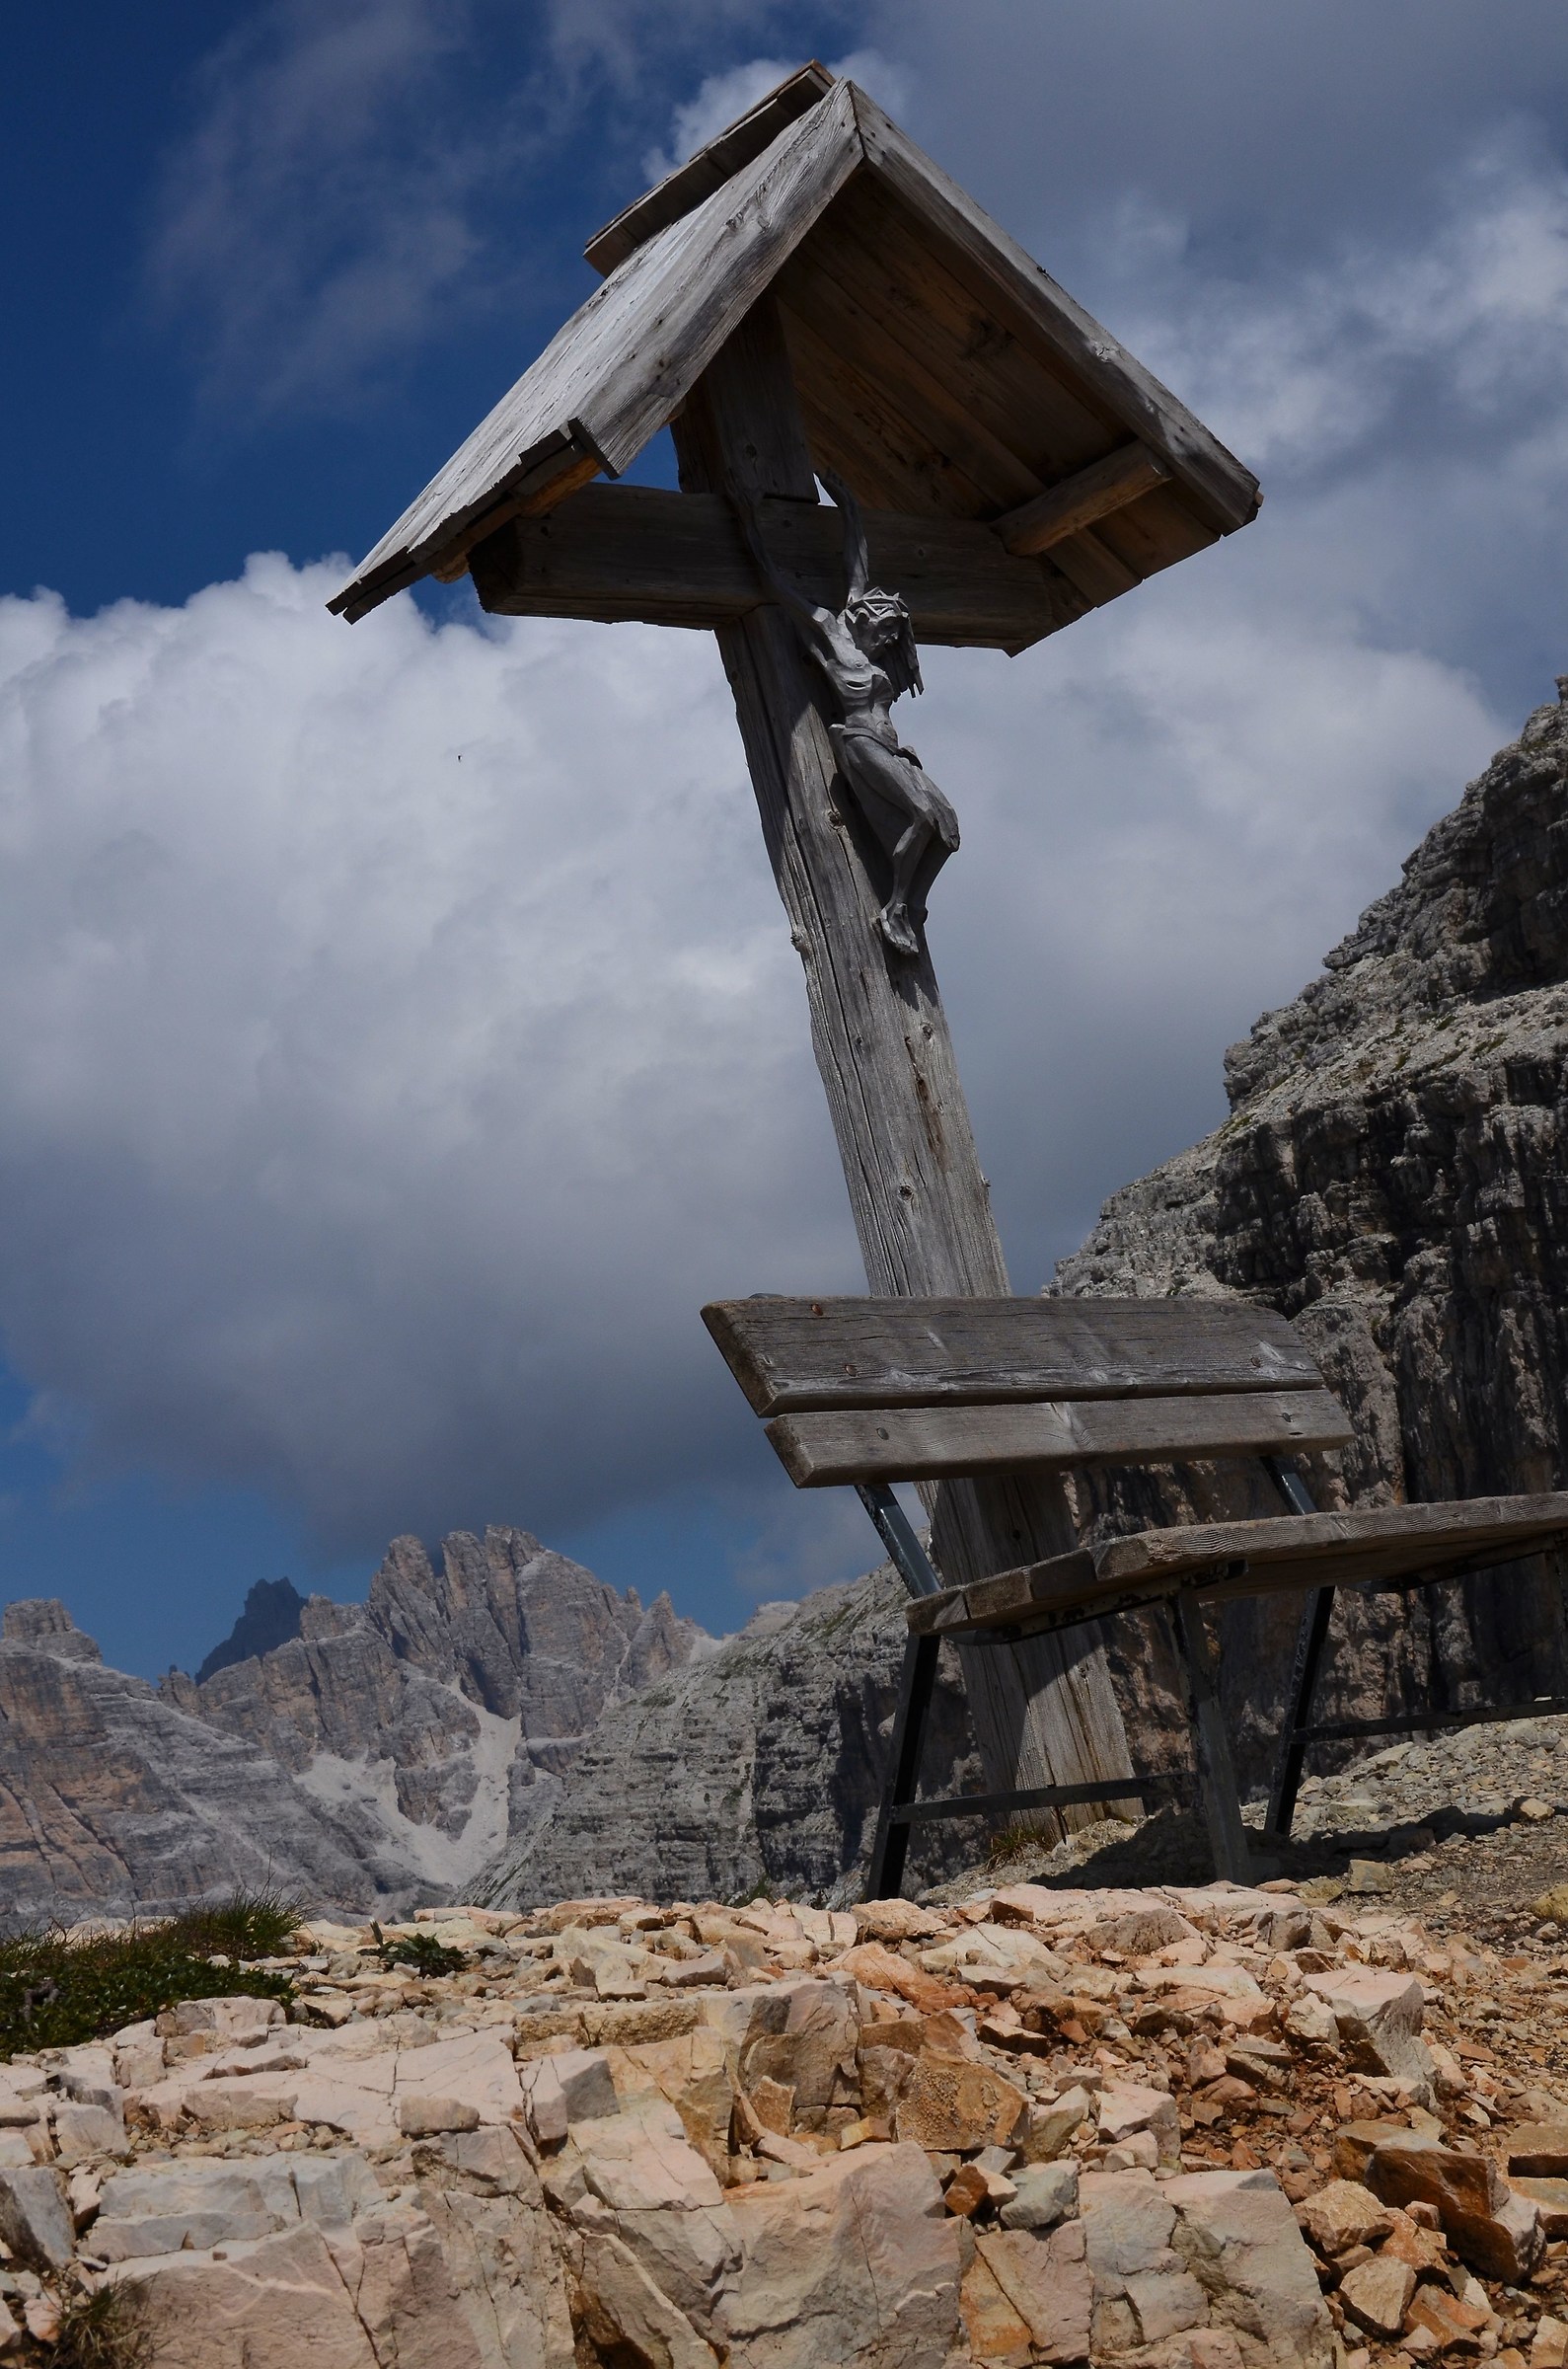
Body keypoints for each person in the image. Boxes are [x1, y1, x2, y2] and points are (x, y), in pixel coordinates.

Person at [733, 468, 959, 958]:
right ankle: (895, 906)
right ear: (861, 621)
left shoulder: (866, 632)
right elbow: (777, 586)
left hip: (893, 749)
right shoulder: (835, 635)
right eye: (880, 631)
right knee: (920, 817)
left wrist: (850, 506)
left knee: (946, 828)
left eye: (891, 638)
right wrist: (749, 522)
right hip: (857, 741)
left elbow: (856, 559)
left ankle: (911, 908)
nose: (883, 642)